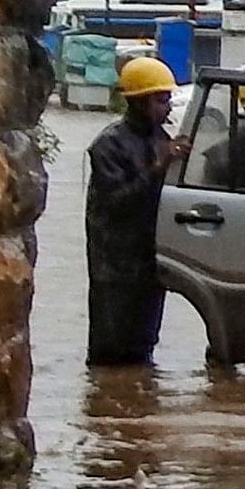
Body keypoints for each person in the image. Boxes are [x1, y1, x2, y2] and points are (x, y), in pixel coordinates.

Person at [84, 53, 187, 366]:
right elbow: (118, 202)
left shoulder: (162, 139)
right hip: (113, 264)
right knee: (110, 348)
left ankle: (135, 403)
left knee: (143, 346)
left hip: (149, 260)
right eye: (160, 100)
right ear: (140, 102)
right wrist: (161, 167)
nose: (167, 107)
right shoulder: (108, 145)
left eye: (168, 100)